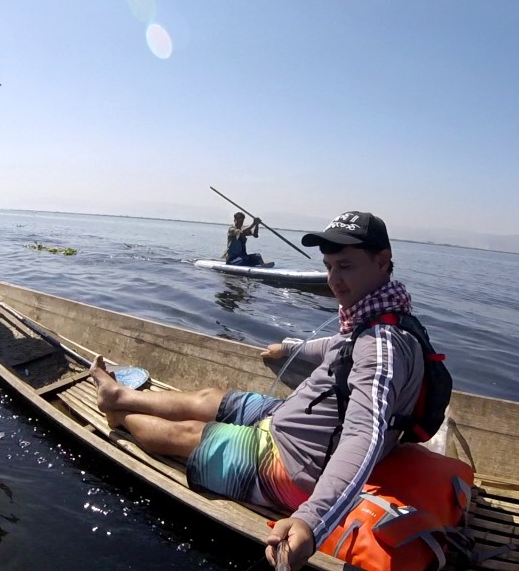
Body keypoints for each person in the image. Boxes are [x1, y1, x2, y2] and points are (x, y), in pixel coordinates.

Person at [94, 211, 425, 571]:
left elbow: (364, 435)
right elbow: (337, 345)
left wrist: (310, 521)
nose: (334, 280)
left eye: (345, 266)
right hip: (293, 419)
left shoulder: (381, 347)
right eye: (329, 266)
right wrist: (289, 347)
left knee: (188, 434)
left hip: (295, 464)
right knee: (211, 397)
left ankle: (122, 417)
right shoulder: (381, 314)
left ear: (382, 261)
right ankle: (119, 396)